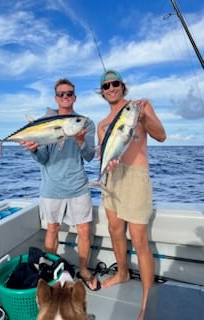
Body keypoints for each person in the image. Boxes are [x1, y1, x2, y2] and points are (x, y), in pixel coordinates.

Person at [97, 70, 166, 320]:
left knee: (139, 240)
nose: (111, 88)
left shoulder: (140, 108)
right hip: (111, 179)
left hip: (136, 177)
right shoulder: (102, 124)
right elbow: (105, 154)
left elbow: (161, 136)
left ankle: (147, 301)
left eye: (115, 83)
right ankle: (122, 272)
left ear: (122, 86)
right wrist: (108, 164)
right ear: (102, 92)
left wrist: (144, 118)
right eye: (106, 86)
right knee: (115, 231)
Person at [20, 78, 100, 291]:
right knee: (52, 228)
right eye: (61, 94)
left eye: (69, 93)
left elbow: (90, 156)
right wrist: (34, 150)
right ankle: (53, 271)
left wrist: (82, 141)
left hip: (78, 186)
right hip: (51, 187)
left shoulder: (84, 122)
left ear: (74, 96)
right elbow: (43, 158)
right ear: (56, 98)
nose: (65, 96)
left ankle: (83, 269)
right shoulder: (44, 121)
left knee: (84, 229)